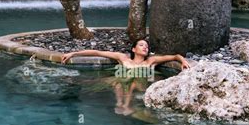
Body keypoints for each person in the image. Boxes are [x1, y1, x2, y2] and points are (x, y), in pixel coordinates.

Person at [60, 39, 190, 70]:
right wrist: (74, 53)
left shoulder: (151, 61)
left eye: (146, 46)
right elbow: (97, 52)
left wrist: (183, 61)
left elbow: (175, 56)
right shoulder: (123, 58)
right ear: (133, 49)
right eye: (141, 45)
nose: (145, 47)